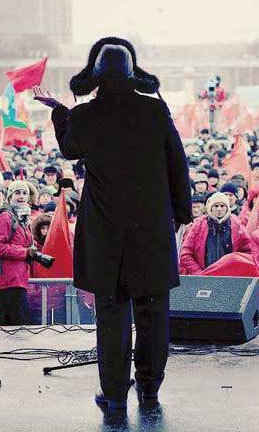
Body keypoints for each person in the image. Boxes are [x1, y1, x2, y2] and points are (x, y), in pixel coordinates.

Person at [43, 37, 193, 409]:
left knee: (111, 317)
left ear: (95, 74)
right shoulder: (156, 112)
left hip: (106, 236)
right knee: (153, 314)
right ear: (133, 71)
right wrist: (183, 213)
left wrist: (60, 111)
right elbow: (178, 164)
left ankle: (113, 395)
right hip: (151, 234)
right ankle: (150, 389)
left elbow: (69, 147)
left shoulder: (85, 116)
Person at [0, 181, 36, 326]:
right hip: (9, 281)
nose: (21, 196)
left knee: (11, 329)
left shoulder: (23, 218)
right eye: (17, 193)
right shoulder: (6, 217)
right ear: (10, 197)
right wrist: (24, 252)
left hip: (18, 279)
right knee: (19, 329)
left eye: (24, 193)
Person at [179, 192, 251, 274]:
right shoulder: (198, 225)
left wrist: (235, 272)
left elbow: (247, 253)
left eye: (222, 206)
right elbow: (186, 254)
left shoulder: (237, 226)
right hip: (203, 279)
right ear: (210, 207)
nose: (219, 209)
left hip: (230, 279)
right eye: (216, 206)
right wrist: (199, 273)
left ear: (227, 208)